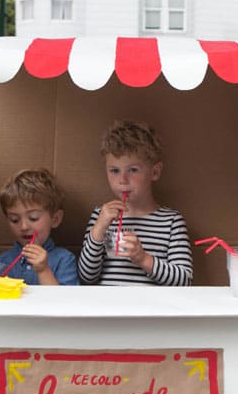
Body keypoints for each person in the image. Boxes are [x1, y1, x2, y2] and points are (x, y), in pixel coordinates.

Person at [78, 120, 193, 286]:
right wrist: (98, 230)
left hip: (151, 310)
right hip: (107, 309)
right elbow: (86, 277)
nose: (122, 180)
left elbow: (185, 281)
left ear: (155, 172)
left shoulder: (171, 222)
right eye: (114, 171)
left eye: (133, 170)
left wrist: (143, 258)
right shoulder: (100, 216)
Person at [0, 168, 79, 286]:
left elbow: (63, 302)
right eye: (14, 220)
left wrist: (44, 270)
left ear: (55, 219)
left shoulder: (64, 260)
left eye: (33, 218)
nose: (24, 226)